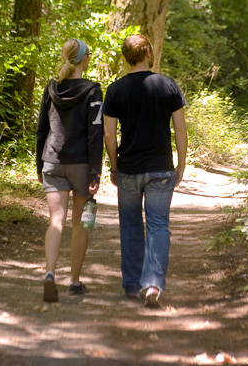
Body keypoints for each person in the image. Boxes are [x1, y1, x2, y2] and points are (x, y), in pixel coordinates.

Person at [102, 34, 187, 309]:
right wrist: (181, 164)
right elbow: (180, 129)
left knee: (130, 225)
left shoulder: (116, 90)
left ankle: (130, 286)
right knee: (159, 225)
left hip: (128, 168)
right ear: (148, 52)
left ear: (126, 57)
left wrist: (114, 166)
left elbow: (109, 134)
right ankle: (152, 284)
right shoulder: (168, 85)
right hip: (161, 168)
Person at [35, 38, 104, 302]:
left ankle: (50, 274)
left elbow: (42, 129)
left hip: (52, 161)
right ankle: (74, 281)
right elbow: (95, 134)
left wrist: (39, 164)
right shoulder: (93, 91)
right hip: (81, 165)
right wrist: (95, 172)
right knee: (81, 224)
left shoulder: (50, 88)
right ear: (84, 60)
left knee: (55, 221)